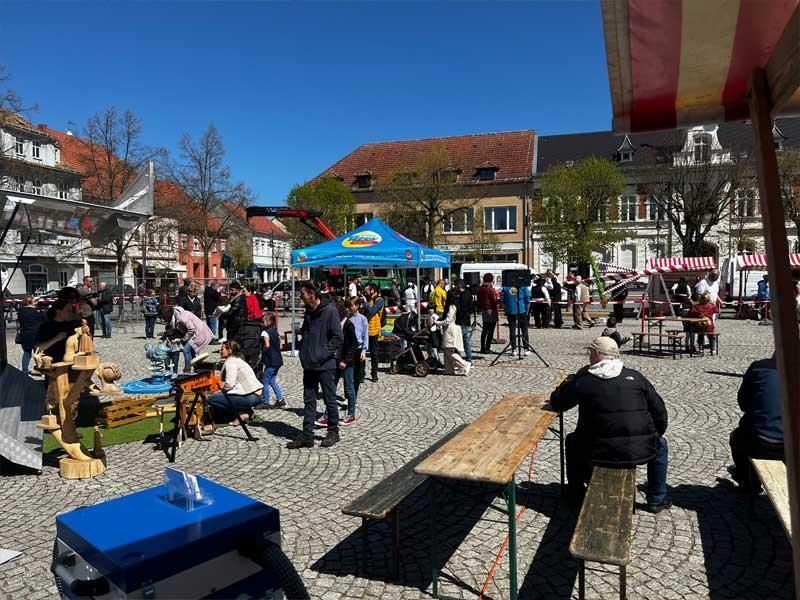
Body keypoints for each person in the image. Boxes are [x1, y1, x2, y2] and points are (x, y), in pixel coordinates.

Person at [549, 336, 670, 513]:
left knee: (572, 441)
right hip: (639, 449)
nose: (589, 357)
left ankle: (576, 491)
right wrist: (657, 433)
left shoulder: (584, 381)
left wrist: (573, 378)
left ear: (597, 354)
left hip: (599, 451)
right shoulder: (636, 377)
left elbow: (558, 402)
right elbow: (659, 411)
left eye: (590, 353)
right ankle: (657, 498)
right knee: (661, 445)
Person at [287, 280, 343, 449]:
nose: (300, 297)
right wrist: (304, 351)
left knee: (330, 400)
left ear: (312, 294)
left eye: (302, 294)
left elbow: (337, 338)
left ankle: (333, 431)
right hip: (309, 365)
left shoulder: (330, 311)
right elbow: (307, 332)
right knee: (309, 401)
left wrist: (320, 354)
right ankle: (307, 435)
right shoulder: (309, 312)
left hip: (325, 365)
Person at [728, 355, 783, 493]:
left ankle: (746, 479)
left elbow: (743, 403)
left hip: (759, 442)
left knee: (736, 437)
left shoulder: (759, 367)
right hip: (791, 447)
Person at [205, 341, 264, 424]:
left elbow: (229, 384)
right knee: (220, 396)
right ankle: (245, 412)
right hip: (255, 394)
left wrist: (218, 390)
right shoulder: (237, 359)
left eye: (222, 349)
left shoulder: (231, 362)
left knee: (211, 398)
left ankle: (241, 413)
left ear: (230, 351)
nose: (220, 351)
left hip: (251, 396)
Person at [35, 288, 83, 364]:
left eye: (72, 311)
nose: (71, 313)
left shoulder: (73, 325)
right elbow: (38, 349)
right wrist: (56, 338)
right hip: (55, 366)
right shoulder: (46, 327)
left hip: (73, 364)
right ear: (58, 312)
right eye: (68, 311)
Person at [162, 305, 213, 373]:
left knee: (186, 350)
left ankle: (187, 370)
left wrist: (183, 339)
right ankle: (197, 367)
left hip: (199, 333)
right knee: (191, 351)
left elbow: (191, 329)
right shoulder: (176, 313)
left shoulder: (183, 318)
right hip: (196, 332)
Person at [338, 299, 363, 425]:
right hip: (337, 359)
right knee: (331, 387)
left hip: (347, 361)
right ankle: (328, 414)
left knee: (349, 386)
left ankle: (351, 414)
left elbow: (354, 345)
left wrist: (346, 360)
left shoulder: (348, 325)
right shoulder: (337, 324)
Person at [439, 289, 471, 375]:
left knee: (449, 350)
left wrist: (438, 323)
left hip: (450, 330)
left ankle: (464, 364)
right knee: (446, 350)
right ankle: (449, 369)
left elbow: (448, 320)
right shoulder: (454, 305)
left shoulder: (452, 307)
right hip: (451, 329)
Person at [260, 312, 285, 409]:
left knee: (265, 381)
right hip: (278, 359)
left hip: (270, 360)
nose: (263, 322)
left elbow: (267, 345)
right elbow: (280, 345)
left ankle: (265, 402)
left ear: (269, 321)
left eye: (264, 321)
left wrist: (263, 351)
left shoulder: (265, 332)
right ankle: (280, 399)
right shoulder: (275, 331)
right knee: (272, 380)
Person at [361, 284, 385, 382]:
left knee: (374, 353)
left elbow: (371, 311)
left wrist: (365, 303)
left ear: (372, 290)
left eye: (366, 291)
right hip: (364, 329)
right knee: (361, 352)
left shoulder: (379, 300)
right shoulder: (366, 300)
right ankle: (361, 374)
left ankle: (374, 373)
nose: (364, 293)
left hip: (374, 330)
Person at [501, 279, 531, 354]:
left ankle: (514, 349)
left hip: (510, 310)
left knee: (512, 330)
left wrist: (506, 309)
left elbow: (503, 300)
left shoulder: (506, 287)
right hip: (521, 309)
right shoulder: (523, 286)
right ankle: (526, 348)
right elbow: (527, 300)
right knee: (524, 330)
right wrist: (527, 311)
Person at [16, 296, 43, 374]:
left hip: (25, 335)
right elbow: (41, 321)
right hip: (35, 334)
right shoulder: (35, 312)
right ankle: (40, 369)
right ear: (29, 303)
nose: (36, 303)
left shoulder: (20, 312)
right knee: (37, 353)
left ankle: (24, 371)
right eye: (34, 302)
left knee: (27, 353)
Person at [453, 279, 474, 362]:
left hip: (462, 321)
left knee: (459, 341)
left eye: (456, 286)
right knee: (466, 341)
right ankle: (469, 359)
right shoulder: (468, 294)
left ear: (459, 286)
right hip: (466, 320)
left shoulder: (463, 296)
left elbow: (462, 309)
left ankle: (460, 360)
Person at [477, 273, 498, 353]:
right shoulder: (490, 289)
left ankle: (482, 347)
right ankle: (487, 347)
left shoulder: (480, 288)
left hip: (484, 310)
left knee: (484, 330)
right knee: (491, 330)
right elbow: (494, 300)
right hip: (491, 310)